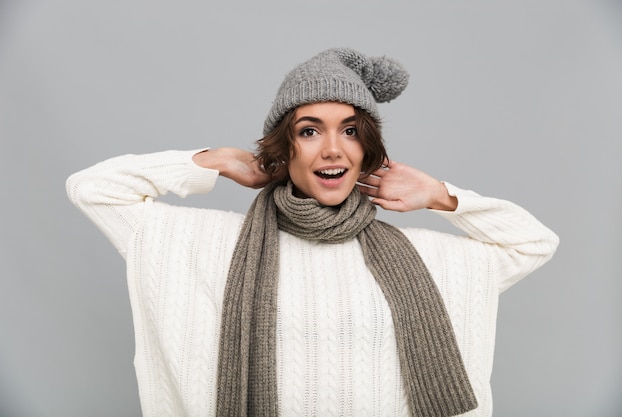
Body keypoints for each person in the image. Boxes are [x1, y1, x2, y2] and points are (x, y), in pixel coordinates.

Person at [66, 48, 559, 417]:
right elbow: (92, 190)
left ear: (367, 150)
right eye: (308, 130)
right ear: (285, 148)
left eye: (350, 131)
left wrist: (440, 195)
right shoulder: (209, 246)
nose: (332, 150)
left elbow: (534, 242)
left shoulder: (426, 256)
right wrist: (216, 160)